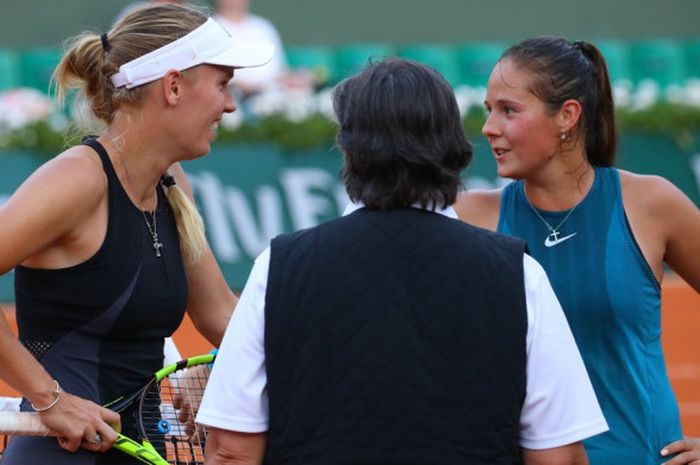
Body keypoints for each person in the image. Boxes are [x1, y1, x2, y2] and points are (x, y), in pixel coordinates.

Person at [197, 58, 608, 465]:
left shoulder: (279, 266)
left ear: (349, 146)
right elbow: (557, 456)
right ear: (452, 144)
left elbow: (232, 451)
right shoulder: (519, 273)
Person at [0, 3, 273, 464]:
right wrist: (50, 398)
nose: (230, 104)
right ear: (172, 86)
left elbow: (222, 316)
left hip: (148, 450)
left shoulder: (172, 182)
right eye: (222, 84)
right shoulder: (77, 180)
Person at [454, 36, 700, 465]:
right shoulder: (469, 216)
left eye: (508, 110)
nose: (489, 127)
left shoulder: (651, 204)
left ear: (567, 116)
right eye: (488, 109)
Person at [214, 0, 312, 98]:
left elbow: (279, 70)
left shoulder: (263, 27)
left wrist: (295, 80)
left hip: (272, 92)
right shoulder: (212, 29)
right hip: (234, 96)